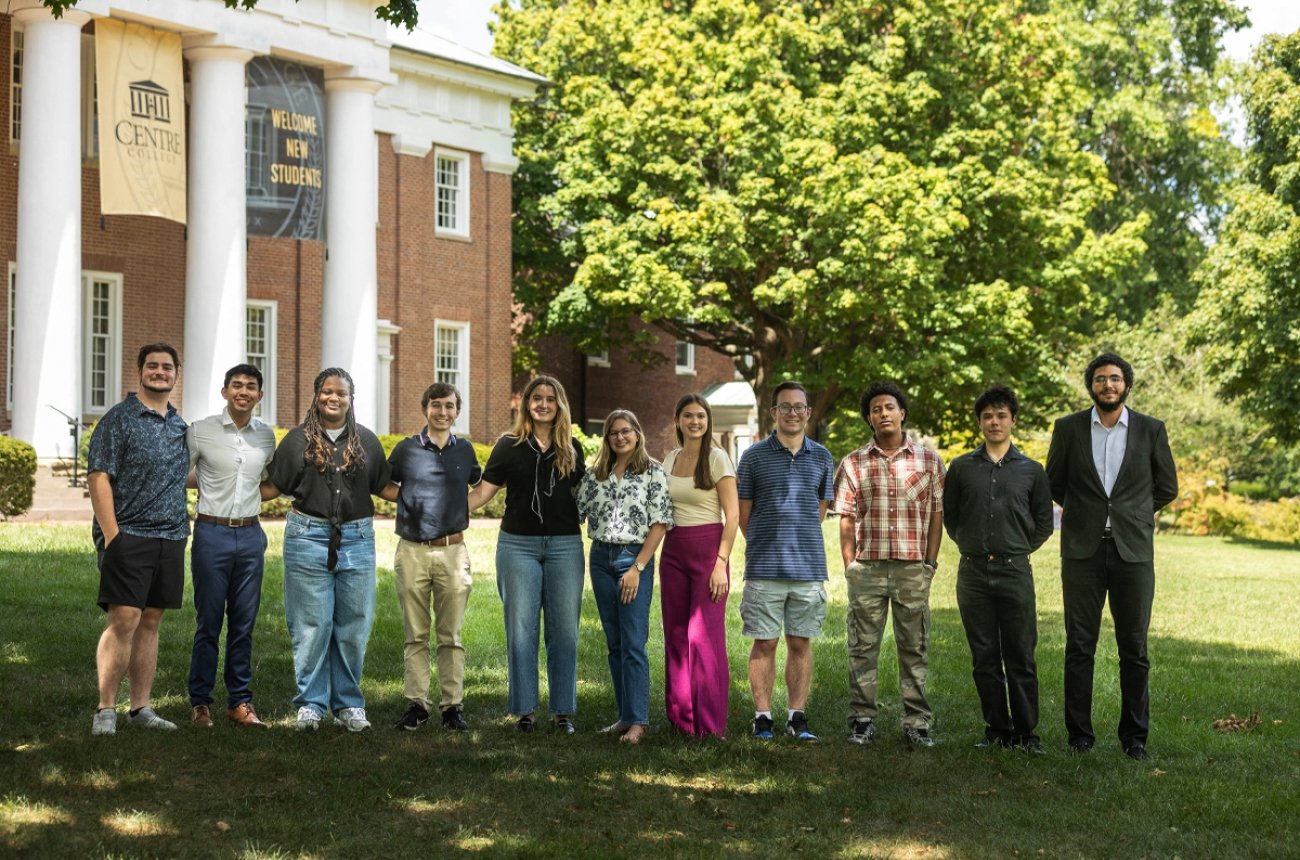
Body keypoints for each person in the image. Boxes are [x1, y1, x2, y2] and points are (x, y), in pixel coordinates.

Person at [1046, 353, 1177, 760]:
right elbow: (1054, 481)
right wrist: (1087, 513)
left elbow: (1166, 486)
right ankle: (1079, 737)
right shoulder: (1068, 429)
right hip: (1082, 551)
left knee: (1133, 648)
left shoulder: (1150, 430)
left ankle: (1134, 737)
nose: (1108, 385)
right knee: (1079, 645)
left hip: (1132, 553)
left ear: (1126, 385)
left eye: (1115, 379)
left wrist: (1132, 514)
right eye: (1100, 379)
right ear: (1091, 386)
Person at [265, 368, 391, 732]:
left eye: (341, 393)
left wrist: (434, 496)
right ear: (316, 395)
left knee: (354, 625)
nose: (333, 398)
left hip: (358, 539)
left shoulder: (366, 441)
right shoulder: (296, 441)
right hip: (307, 537)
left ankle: (348, 705)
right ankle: (311, 704)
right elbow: (273, 487)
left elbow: (385, 487)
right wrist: (224, 499)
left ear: (351, 399)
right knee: (311, 625)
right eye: (327, 392)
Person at [469, 375, 586, 734]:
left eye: (551, 398)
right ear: (527, 403)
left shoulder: (573, 447)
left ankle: (563, 711)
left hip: (565, 545)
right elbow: (481, 494)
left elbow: (587, 498)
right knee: (521, 629)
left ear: (560, 404)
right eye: (537, 398)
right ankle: (525, 711)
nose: (544, 404)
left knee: (564, 631)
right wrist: (440, 510)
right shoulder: (508, 445)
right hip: (517, 545)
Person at [833, 380, 946, 748]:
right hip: (867, 567)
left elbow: (936, 515)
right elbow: (846, 517)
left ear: (902, 413)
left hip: (912, 568)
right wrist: (851, 564)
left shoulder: (929, 460)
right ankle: (862, 719)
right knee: (862, 645)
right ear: (870, 418)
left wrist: (929, 562)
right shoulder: (853, 463)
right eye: (876, 409)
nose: (883, 414)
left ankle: (917, 721)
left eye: (889, 407)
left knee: (914, 645)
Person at [944, 386, 1053, 753]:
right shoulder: (960, 468)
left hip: (1014, 572)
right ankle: (997, 730)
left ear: (1013, 420)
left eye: (1001, 415)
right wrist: (973, 545)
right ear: (980, 422)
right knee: (984, 656)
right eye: (988, 416)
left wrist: (1016, 548)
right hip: (972, 574)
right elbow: (952, 518)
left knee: (1021, 653)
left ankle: (1026, 734)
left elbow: (1043, 523)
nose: (994, 422)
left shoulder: (1031, 471)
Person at [87, 342, 189, 736]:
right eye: (152, 366)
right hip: (128, 536)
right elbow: (99, 477)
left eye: (166, 366)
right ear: (140, 372)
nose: (159, 372)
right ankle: (105, 709)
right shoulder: (119, 419)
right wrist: (113, 537)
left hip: (172, 536)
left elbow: (185, 476)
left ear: (176, 374)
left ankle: (140, 707)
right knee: (124, 618)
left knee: (151, 620)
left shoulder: (180, 426)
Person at [736, 381, 835, 742]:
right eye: (785, 407)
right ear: (773, 413)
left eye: (799, 407)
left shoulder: (823, 457)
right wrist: (768, 543)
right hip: (764, 568)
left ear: (808, 413)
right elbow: (744, 514)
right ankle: (763, 717)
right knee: (764, 642)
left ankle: (797, 716)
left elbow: (819, 511)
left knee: (800, 643)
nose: (793, 413)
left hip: (808, 570)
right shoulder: (753, 457)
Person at [384, 382, 482, 732]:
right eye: (436, 405)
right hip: (412, 550)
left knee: (450, 635)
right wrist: (409, 501)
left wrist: (455, 510)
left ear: (457, 412)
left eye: (450, 406)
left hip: (453, 551)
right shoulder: (406, 450)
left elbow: (476, 486)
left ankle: (452, 706)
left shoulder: (465, 451)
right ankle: (417, 705)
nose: (443, 412)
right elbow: (383, 484)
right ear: (425, 408)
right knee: (416, 633)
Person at [185, 363, 277, 729]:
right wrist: (210, 490)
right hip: (212, 534)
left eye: (251, 386)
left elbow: (271, 483)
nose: (243, 391)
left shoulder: (266, 437)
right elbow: (180, 475)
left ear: (259, 395)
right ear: (224, 392)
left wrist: (252, 497)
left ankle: (239, 702)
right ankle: (200, 703)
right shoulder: (200, 432)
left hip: (251, 536)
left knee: (244, 622)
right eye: (236, 385)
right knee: (209, 621)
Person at [577, 410, 674, 744]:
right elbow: (575, 511)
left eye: (626, 431)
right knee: (614, 643)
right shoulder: (596, 475)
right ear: (607, 438)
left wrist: (637, 568)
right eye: (613, 433)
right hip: (600, 558)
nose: (620, 437)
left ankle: (639, 721)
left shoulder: (653, 472)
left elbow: (660, 523)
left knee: (633, 642)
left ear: (637, 433)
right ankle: (624, 716)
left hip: (633, 558)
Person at [660, 394, 738, 738]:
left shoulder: (717, 458)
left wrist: (721, 563)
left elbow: (732, 515)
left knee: (702, 638)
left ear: (708, 422)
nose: (695, 421)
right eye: (688, 415)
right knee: (676, 635)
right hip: (673, 551)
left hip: (708, 551)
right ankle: (682, 719)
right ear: (678, 420)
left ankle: (710, 725)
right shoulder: (670, 459)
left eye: (701, 416)